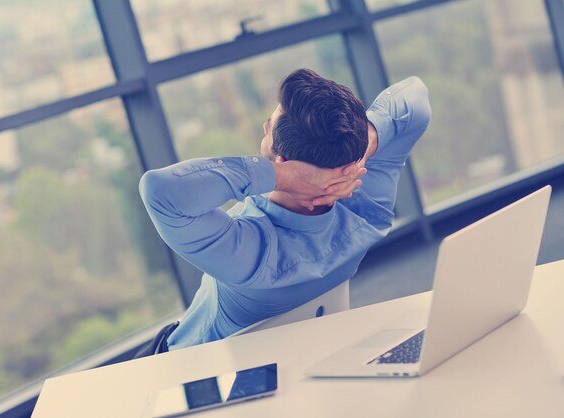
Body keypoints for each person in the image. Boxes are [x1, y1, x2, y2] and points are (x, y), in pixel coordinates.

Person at [135, 69, 431, 357]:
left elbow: (160, 191)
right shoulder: (367, 212)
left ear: (282, 160)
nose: (265, 127)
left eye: (270, 125)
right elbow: (415, 96)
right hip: (302, 362)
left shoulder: (252, 255)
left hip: (182, 368)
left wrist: (283, 177)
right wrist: (367, 140)